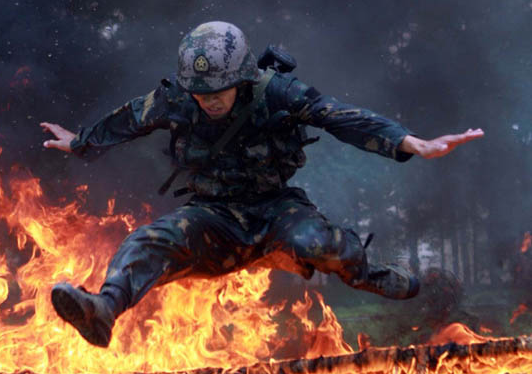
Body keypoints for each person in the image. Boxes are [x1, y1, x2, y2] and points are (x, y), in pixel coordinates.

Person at [41, 21, 483, 348]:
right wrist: (81, 142)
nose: (209, 100)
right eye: (201, 93)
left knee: (318, 243)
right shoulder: (176, 98)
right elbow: (130, 118)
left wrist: (410, 142)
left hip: (276, 211)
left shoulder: (277, 92)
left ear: (243, 79)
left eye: (219, 90)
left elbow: (338, 116)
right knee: (149, 241)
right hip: (214, 217)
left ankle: (383, 278)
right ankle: (104, 309)